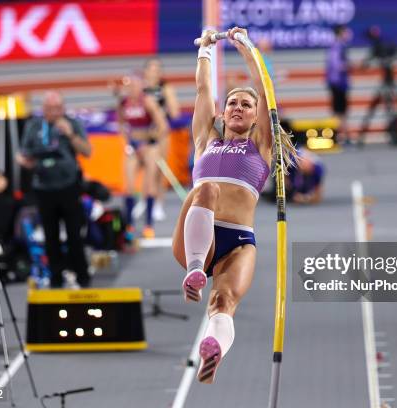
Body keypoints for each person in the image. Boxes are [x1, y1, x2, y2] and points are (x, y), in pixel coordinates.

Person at [172, 27, 296, 384]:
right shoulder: (205, 141)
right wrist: (206, 49)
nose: (238, 107)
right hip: (197, 236)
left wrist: (245, 46)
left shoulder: (261, 144)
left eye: (246, 104)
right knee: (205, 188)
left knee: (223, 302)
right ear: (223, 114)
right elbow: (202, 90)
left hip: (238, 239)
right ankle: (195, 271)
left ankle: (214, 349)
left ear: (257, 117)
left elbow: (263, 87)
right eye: (232, 103)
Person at [17, 91, 92, 288]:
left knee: (74, 234)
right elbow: (23, 154)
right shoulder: (33, 126)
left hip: (68, 186)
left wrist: (70, 134)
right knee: (50, 237)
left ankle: (82, 276)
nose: (54, 113)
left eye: (58, 109)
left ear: (63, 108)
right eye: (50, 109)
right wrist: (26, 162)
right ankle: (56, 278)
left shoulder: (72, 123)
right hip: (43, 187)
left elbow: (87, 151)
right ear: (43, 110)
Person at [118, 74, 168, 240]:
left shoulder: (147, 101)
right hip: (133, 147)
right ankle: (130, 225)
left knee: (149, 186)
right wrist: (127, 141)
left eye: (134, 85)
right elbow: (121, 124)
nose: (131, 89)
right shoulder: (123, 103)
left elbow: (162, 126)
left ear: (140, 86)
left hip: (149, 147)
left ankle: (148, 225)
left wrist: (149, 141)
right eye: (129, 86)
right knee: (129, 186)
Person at [140, 58, 181, 222]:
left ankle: (158, 203)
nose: (154, 72)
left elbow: (175, 113)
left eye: (158, 69)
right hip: (143, 133)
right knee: (144, 169)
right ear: (146, 71)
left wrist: (164, 106)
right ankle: (145, 200)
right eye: (152, 69)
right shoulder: (140, 89)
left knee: (158, 168)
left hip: (161, 133)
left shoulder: (166, 88)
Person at [326, 25, 351, 145]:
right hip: (338, 83)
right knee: (339, 111)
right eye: (346, 32)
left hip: (339, 83)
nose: (349, 34)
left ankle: (341, 136)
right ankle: (340, 137)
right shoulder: (337, 47)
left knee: (341, 111)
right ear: (341, 33)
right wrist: (350, 65)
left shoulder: (339, 46)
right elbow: (337, 65)